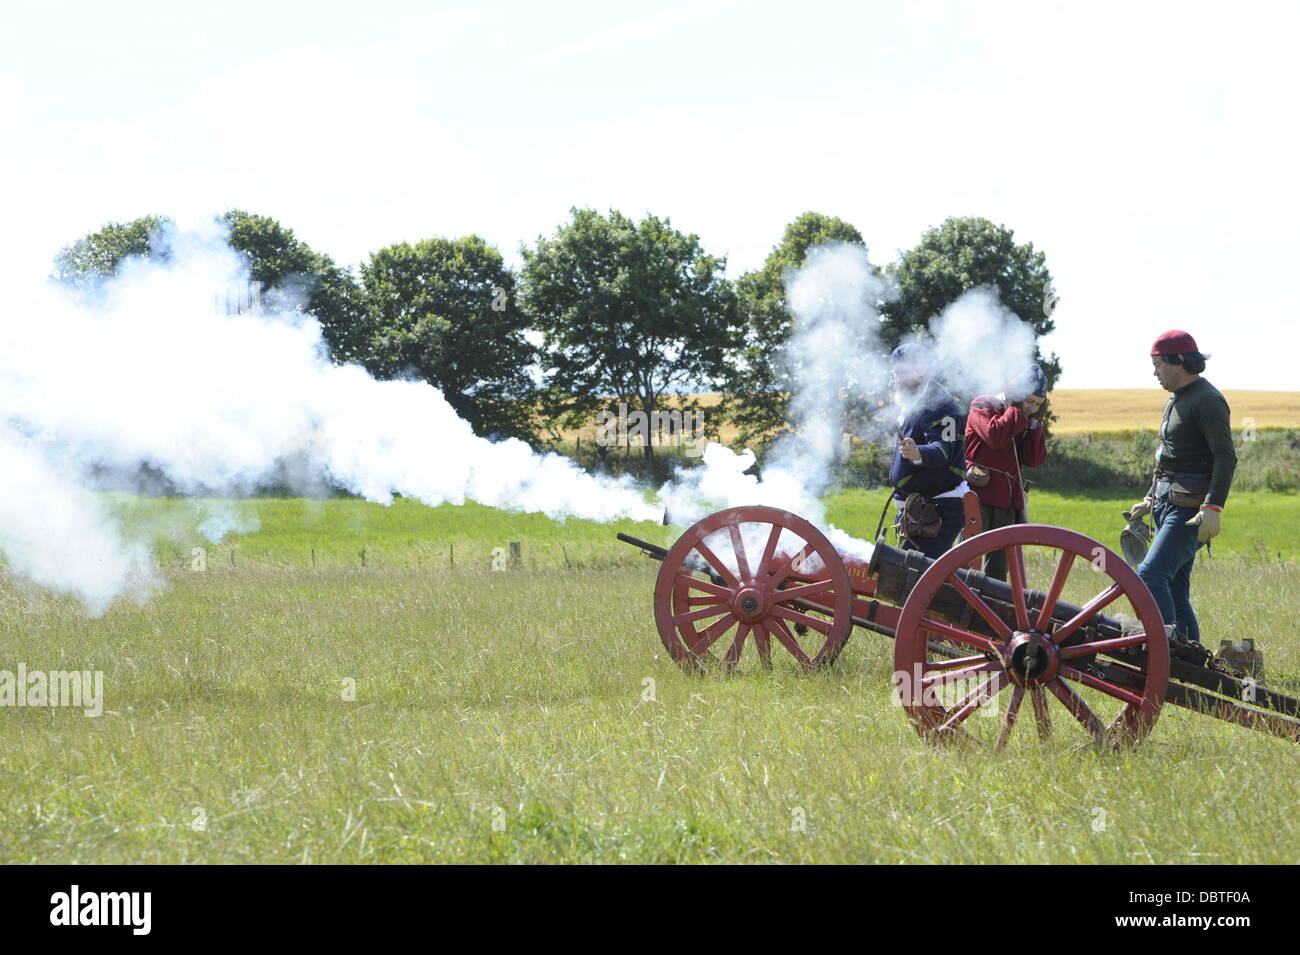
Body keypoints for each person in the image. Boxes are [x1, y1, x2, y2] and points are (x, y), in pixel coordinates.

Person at [1128, 330, 1234, 645]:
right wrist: (1149, 500)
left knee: (1149, 576)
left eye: (1159, 364)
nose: (1155, 372)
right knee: (1173, 586)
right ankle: (1191, 660)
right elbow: (1168, 460)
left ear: (1180, 362)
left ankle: (1166, 654)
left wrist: (1213, 507)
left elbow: (1225, 457)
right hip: (1166, 504)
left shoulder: (1207, 400)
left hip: (1190, 511)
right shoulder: (1175, 400)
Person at [964, 364, 1049, 579]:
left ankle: (991, 609)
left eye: (1038, 404)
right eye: (1029, 401)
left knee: (998, 571)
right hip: (979, 495)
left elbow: (1033, 459)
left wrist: (1035, 426)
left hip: (1008, 500)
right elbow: (995, 436)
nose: (1032, 408)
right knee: (966, 561)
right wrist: (1016, 411)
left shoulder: (1024, 419)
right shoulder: (983, 404)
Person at [887, 343, 967, 559]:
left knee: (916, 579)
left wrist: (919, 452)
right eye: (896, 373)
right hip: (921, 509)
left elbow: (943, 450)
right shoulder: (915, 402)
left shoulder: (940, 405)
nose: (897, 380)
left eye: (903, 373)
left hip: (938, 509)